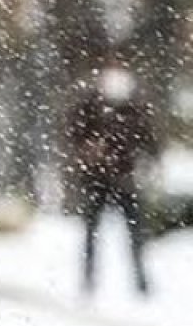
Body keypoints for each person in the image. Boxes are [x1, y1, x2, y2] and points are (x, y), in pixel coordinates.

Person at [66, 64, 160, 297]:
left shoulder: (134, 110)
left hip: (125, 179)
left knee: (135, 233)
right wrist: (87, 151)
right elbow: (73, 135)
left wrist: (151, 162)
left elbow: (149, 140)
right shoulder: (89, 107)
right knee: (91, 232)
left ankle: (141, 282)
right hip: (96, 180)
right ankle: (88, 280)